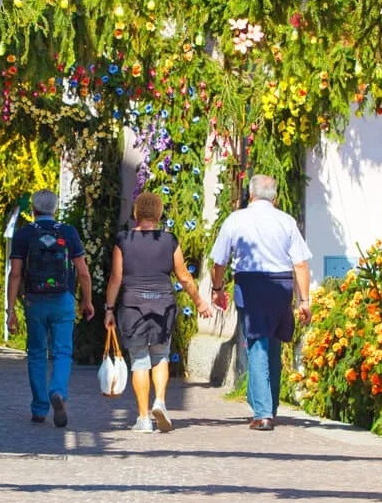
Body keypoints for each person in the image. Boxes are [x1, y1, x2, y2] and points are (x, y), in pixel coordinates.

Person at [209, 174, 312, 431]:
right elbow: (300, 263)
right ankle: (268, 405)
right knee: (273, 342)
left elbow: (219, 260)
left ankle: (263, 412)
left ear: (250, 195)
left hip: (250, 284)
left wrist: (218, 289)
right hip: (281, 285)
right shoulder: (286, 221)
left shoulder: (236, 220)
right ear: (274, 197)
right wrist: (304, 300)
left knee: (256, 343)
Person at [104, 192, 213, 433]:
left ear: (136, 214)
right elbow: (183, 276)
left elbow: (116, 278)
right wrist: (200, 302)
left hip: (132, 305)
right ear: (159, 214)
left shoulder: (123, 240)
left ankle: (143, 418)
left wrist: (109, 309)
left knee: (140, 361)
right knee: (161, 356)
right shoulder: (169, 240)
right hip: (163, 303)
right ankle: (160, 402)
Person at [7, 189, 95, 427]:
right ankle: (57, 391)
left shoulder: (24, 234)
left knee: (36, 353)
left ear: (33, 210)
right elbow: (84, 272)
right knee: (63, 352)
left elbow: (15, 274)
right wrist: (86, 301)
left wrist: (11, 310)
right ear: (55, 209)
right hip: (63, 299)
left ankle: (38, 408)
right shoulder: (67, 232)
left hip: (34, 301)